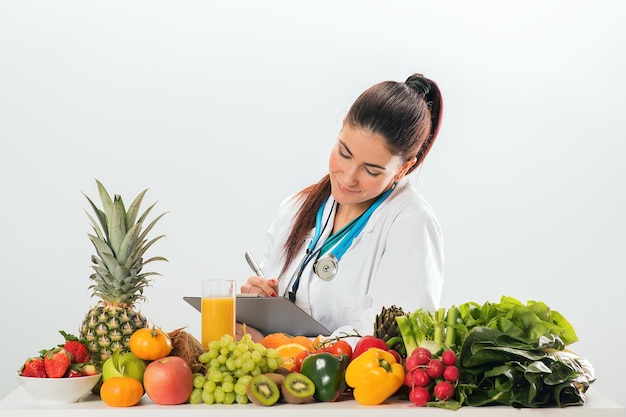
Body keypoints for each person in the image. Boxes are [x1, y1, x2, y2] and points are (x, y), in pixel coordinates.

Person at [239, 73, 444, 342]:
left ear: (403, 168)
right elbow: (271, 292)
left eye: (371, 171)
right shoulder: (296, 208)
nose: (348, 178)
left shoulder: (410, 224)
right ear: (341, 129)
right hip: (283, 375)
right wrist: (258, 300)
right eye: (344, 153)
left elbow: (395, 338)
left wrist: (293, 347)